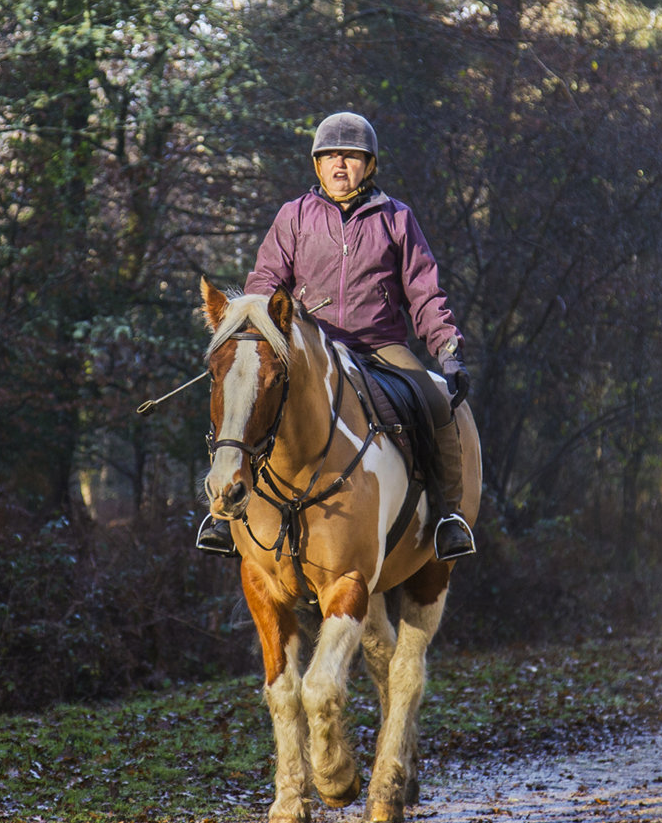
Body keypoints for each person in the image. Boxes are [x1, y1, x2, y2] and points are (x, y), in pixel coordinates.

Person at [198, 111, 476, 561]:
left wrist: (447, 351)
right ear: (317, 165)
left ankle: (448, 517)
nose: (340, 165)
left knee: (435, 401)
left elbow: (425, 292)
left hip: (379, 346)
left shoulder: (397, 219)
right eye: (330, 156)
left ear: (369, 165)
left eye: (351, 156)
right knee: (241, 390)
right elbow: (265, 280)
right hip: (312, 347)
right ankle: (225, 515)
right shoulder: (294, 217)